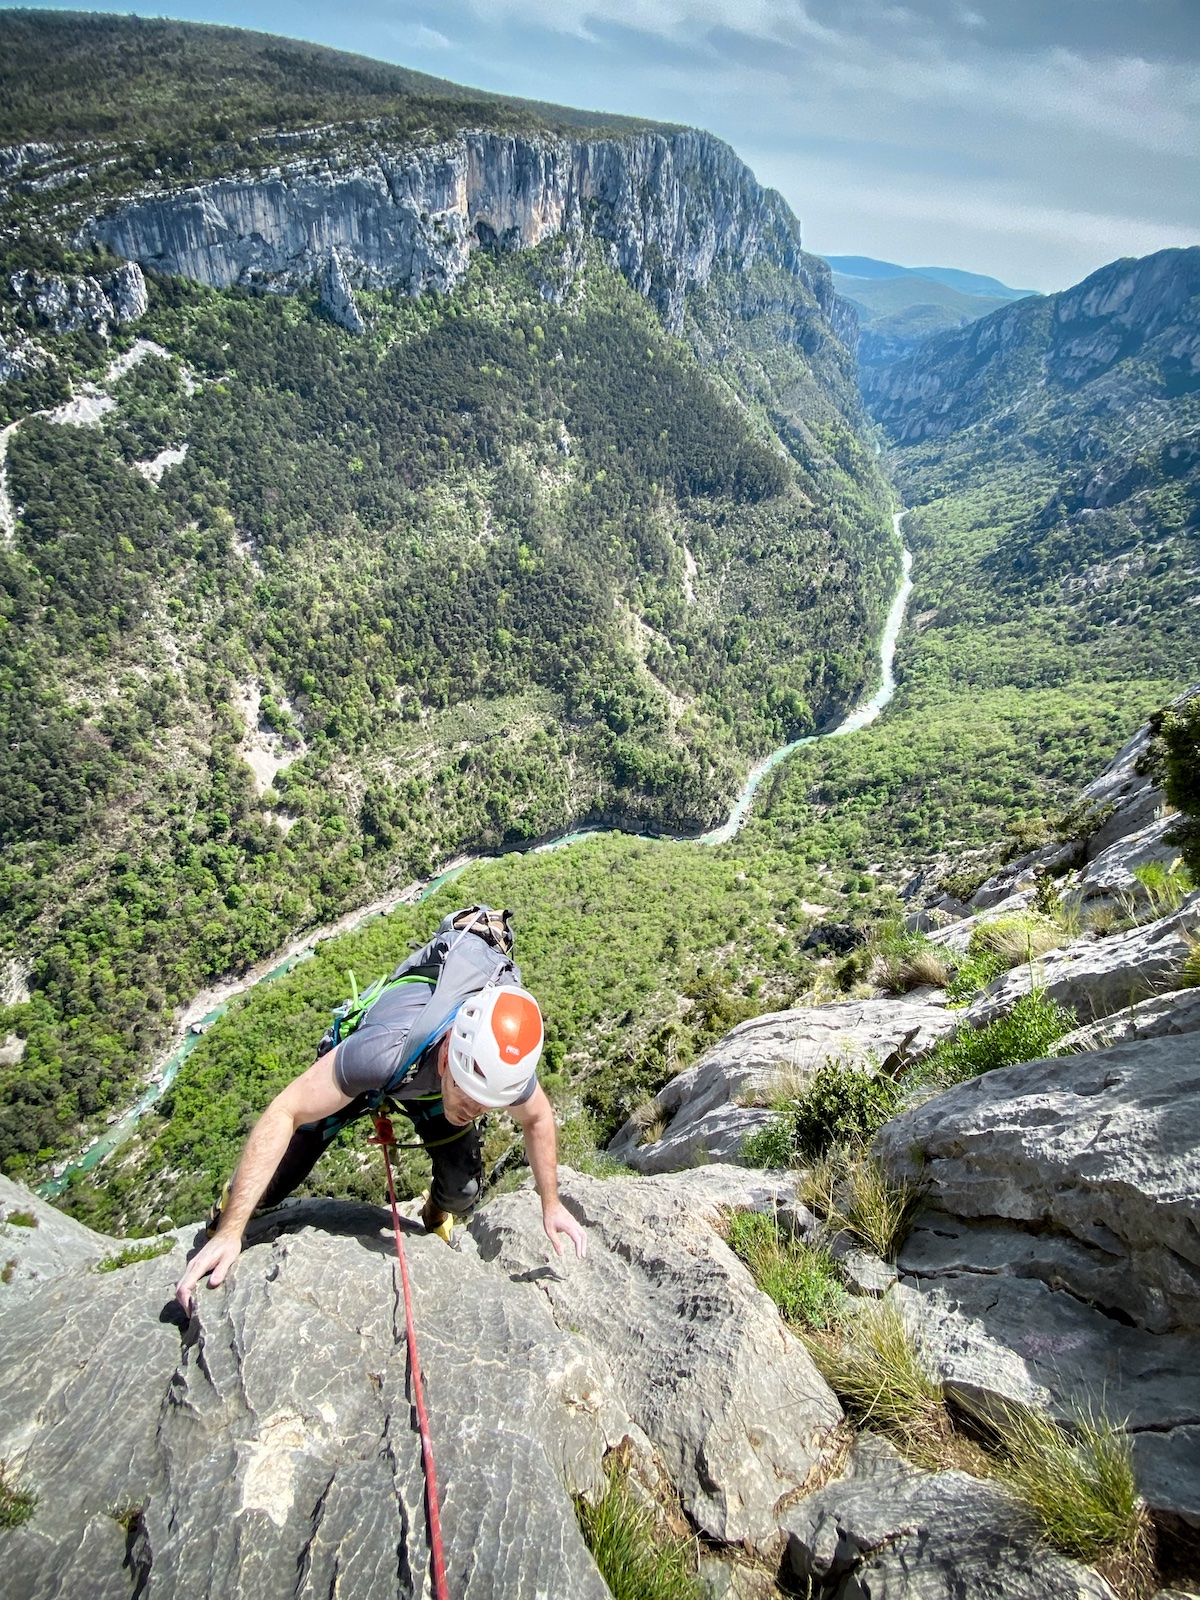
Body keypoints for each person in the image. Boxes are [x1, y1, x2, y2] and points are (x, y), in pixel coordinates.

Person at [175, 907, 586, 1314]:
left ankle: (434, 1212)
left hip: (429, 1084)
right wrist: (231, 1232)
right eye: (469, 1097)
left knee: (463, 1193)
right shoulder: (382, 1052)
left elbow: (537, 1117)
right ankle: (230, 1203)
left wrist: (550, 1204)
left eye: (487, 1105)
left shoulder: (495, 1068)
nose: (474, 1111)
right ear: (447, 1059)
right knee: (276, 1181)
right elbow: (286, 1110)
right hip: (397, 1068)